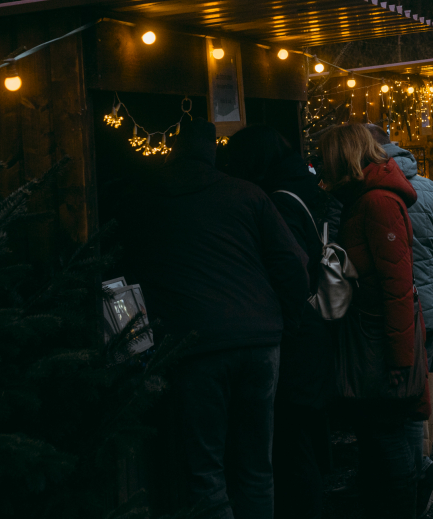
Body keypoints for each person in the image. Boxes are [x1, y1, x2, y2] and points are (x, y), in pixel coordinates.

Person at [129, 120, 311, 519]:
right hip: (259, 339)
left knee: (206, 472)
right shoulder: (247, 194)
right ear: (214, 153)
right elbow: (293, 262)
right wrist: (285, 320)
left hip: (195, 344)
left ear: (173, 152)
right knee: (256, 468)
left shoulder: (149, 201)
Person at [223, 126, 335, 519]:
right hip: (314, 328)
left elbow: (291, 268)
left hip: (297, 334)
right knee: (306, 435)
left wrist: (283, 322)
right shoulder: (307, 187)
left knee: (291, 441)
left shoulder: (278, 200)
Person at [320, 124, 430, 519]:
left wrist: (399, 358)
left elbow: (397, 286)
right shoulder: (364, 198)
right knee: (378, 432)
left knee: (386, 433)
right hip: (375, 334)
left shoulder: (377, 201)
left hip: (378, 339)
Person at [365, 126, 433, 516]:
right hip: (427, 311)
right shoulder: (430, 190)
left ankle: (408, 480)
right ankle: (415, 470)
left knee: (390, 406)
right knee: (413, 399)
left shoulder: (361, 194)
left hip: (385, 315)